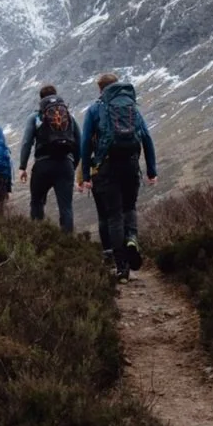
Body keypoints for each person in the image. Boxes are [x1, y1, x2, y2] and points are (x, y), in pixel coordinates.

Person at [78, 72, 157, 279]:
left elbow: (85, 143)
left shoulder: (96, 109)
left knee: (113, 215)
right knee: (129, 208)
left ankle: (121, 266)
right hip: (131, 166)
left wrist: (85, 174)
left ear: (100, 89)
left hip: (106, 168)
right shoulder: (131, 107)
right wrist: (151, 171)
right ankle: (131, 238)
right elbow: (147, 138)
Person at [15, 83, 77, 232]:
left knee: (37, 202)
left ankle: (38, 238)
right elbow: (79, 140)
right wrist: (73, 164)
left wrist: (22, 167)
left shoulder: (36, 117)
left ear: (41, 100)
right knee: (66, 207)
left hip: (43, 165)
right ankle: (67, 243)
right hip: (65, 164)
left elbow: (26, 142)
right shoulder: (68, 116)